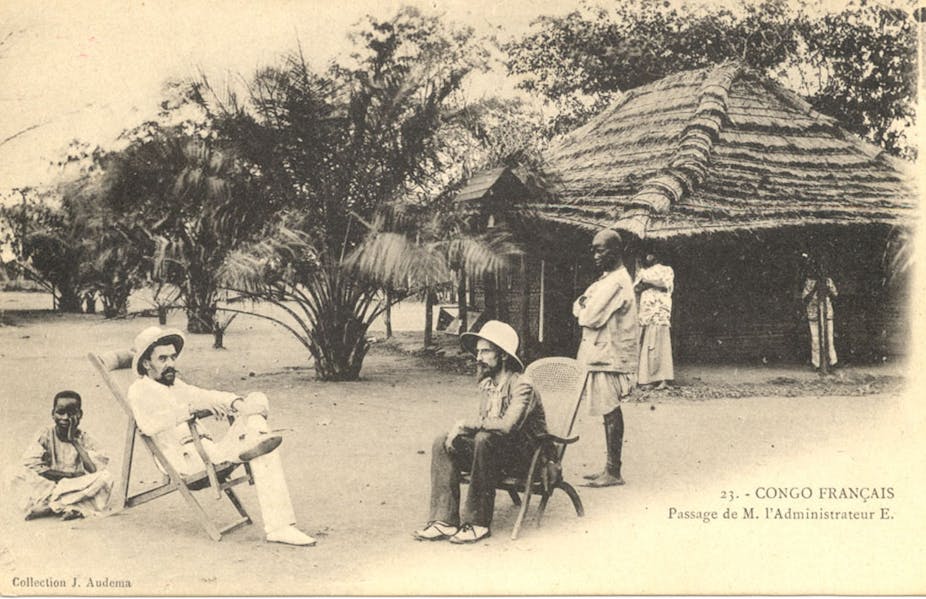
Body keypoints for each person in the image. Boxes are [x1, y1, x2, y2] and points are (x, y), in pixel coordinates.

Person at [126, 326, 316, 546]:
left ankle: (257, 439)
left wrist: (235, 403)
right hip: (189, 461)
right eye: (162, 359)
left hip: (210, 452)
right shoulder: (139, 391)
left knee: (255, 402)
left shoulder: (174, 384)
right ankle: (279, 526)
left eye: (172, 357)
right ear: (146, 363)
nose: (171, 364)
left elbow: (205, 395)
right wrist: (190, 410)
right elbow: (148, 425)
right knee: (261, 443)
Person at [413, 320, 548, 544]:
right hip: (492, 454)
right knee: (442, 440)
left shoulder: (523, 385)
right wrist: (458, 434)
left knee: (484, 439)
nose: (479, 358)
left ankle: (477, 523)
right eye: (478, 352)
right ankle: (443, 521)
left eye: (486, 351)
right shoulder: (487, 384)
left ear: (503, 355)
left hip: (525, 458)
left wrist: (467, 424)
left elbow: (506, 426)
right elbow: (486, 425)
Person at [573, 228, 638, 488]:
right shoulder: (606, 280)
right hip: (602, 354)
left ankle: (613, 471)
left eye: (601, 250)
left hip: (610, 356)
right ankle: (610, 468)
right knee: (607, 410)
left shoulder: (615, 283)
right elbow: (578, 305)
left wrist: (583, 306)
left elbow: (587, 316)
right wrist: (583, 305)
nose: (595, 255)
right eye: (594, 249)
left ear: (616, 251)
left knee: (610, 410)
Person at [9, 390, 113, 520]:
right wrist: (68, 476)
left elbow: (94, 470)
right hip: (50, 485)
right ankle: (67, 505)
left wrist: (73, 441)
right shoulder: (45, 434)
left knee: (106, 477)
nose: (65, 418)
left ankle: (52, 506)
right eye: (60, 412)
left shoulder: (86, 438)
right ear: (53, 414)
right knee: (13, 472)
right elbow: (31, 464)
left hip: (74, 486)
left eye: (71, 413)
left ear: (80, 414)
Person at [635, 250, 675, 389]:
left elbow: (665, 284)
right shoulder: (643, 271)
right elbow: (636, 287)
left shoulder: (667, 270)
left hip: (660, 310)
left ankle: (663, 378)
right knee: (647, 342)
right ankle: (647, 379)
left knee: (661, 342)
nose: (648, 257)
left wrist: (648, 281)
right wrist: (644, 283)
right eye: (647, 254)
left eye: (651, 254)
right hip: (647, 311)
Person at [801, 263, 838, 370]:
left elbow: (835, 295)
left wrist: (828, 290)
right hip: (813, 315)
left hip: (827, 314)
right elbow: (805, 298)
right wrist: (814, 289)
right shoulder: (809, 282)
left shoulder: (828, 281)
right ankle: (816, 363)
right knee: (815, 339)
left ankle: (832, 362)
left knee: (829, 339)